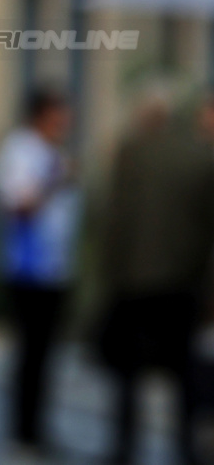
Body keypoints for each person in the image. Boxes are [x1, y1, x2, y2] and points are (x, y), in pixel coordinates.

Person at [96, 87, 214, 465]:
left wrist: (109, 275)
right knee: (184, 372)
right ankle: (187, 448)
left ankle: (124, 449)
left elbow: (116, 220)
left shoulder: (130, 153)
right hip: (183, 283)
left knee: (129, 375)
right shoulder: (199, 158)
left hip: (134, 282)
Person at [0, 87, 81, 459]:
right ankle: (22, 432)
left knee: (46, 355)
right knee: (29, 353)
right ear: (42, 115)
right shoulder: (19, 151)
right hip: (26, 267)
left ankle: (37, 429)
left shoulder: (50, 152)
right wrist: (56, 181)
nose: (66, 121)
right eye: (60, 113)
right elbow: (19, 205)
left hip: (55, 267)